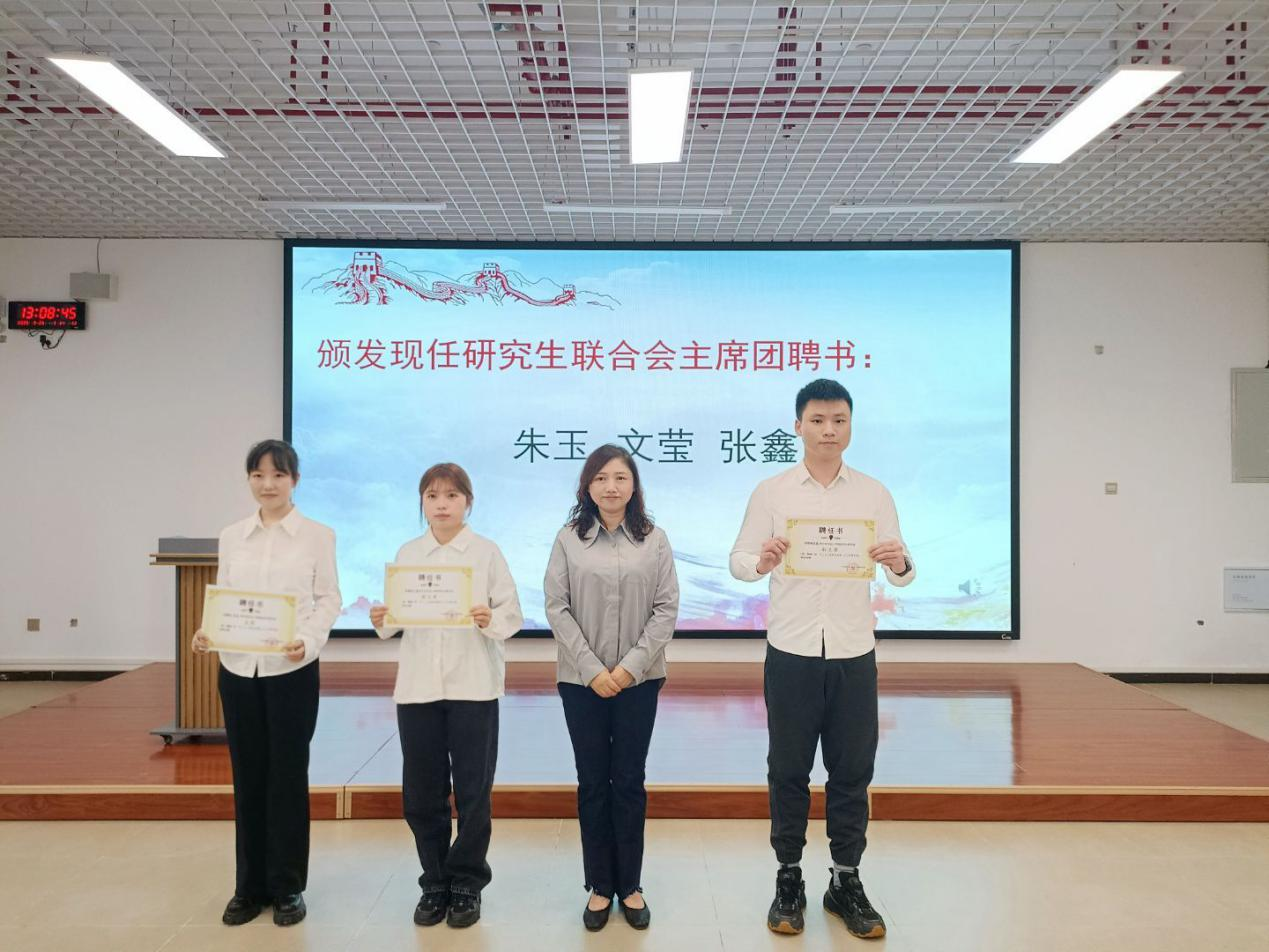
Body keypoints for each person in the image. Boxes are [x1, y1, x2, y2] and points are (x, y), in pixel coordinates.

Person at [729, 379, 915, 940]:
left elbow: (903, 571)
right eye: (817, 420)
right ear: (798, 426)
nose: (828, 430)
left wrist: (898, 561)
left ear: (851, 426)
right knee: (788, 769)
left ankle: (845, 879)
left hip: (854, 652)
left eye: (839, 420)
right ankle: (788, 875)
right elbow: (738, 560)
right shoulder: (772, 491)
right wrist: (761, 561)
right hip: (792, 650)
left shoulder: (874, 494)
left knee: (852, 770)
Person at [192, 439, 340, 927]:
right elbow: (226, 596)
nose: (267, 484)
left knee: (287, 776)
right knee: (248, 775)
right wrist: (207, 630)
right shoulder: (232, 535)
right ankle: (248, 887)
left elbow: (328, 599)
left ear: (295, 480)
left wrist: (307, 641)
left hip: (291, 669)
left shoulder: (317, 535)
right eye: (258, 475)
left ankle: (287, 886)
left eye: (278, 475)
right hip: (238, 669)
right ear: (249, 480)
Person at [370, 462, 522, 929]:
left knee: (474, 791)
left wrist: (489, 618)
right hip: (418, 687)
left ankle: (468, 883)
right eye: (432, 496)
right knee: (422, 792)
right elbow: (394, 619)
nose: (441, 504)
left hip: (473, 685)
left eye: (452, 496)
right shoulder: (409, 552)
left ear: (468, 502)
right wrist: (382, 619)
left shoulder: (486, 552)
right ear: (422, 502)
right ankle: (434, 880)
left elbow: (512, 614)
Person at [544, 444, 679, 932]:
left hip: (639, 681)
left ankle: (631, 885)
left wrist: (627, 670)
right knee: (592, 781)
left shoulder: (654, 540)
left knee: (628, 780)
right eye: (600, 478)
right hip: (581, 682)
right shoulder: (568, 539)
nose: (611, 486)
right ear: (587, 486)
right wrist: (592, 669)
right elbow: (556, 606)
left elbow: (666, 608)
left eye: (620, 477)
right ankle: (601, 885)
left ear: (634, 485)